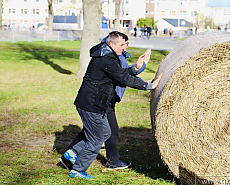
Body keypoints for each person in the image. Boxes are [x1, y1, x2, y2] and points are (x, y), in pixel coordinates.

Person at [61, 31, 162, 179]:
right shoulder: (106, 59)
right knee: (96, 138)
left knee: (105, 132)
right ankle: (78, 170)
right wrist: (148, 86)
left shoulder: (107, 56)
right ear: (111, 44)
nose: (125, 47)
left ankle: (72, 152)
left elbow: (120, 74)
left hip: (94, 103)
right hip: (91, 104)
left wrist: (135, 68)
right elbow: (122, 78)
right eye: (122, 44)